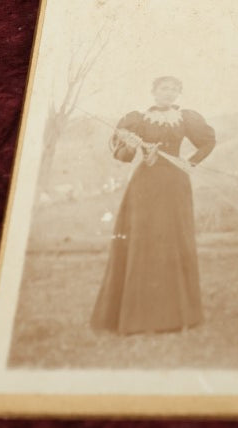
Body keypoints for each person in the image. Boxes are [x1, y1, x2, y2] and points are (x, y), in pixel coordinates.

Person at [90, 75, 216, 336]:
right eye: (163, 89)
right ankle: (137, 317)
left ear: (178, 93)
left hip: (175, 183)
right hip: (145, 186)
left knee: (173, 239)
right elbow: (123, 156)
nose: (168, 93)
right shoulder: (138, 118)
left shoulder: (186, 118)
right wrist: (131, 145)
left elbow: (207, 142)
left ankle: (178, 315)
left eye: (173, 89)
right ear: (153, 91)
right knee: (143, 240)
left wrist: (189, 162)